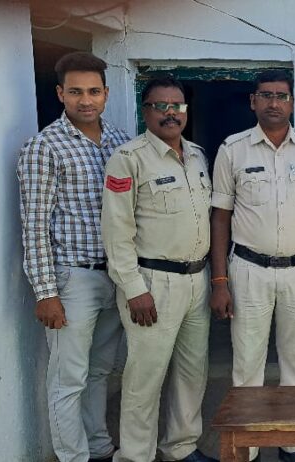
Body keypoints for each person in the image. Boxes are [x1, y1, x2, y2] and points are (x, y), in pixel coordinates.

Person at [209, 69, 295, 462]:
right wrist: (219, 280)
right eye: (266, 95)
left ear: (292, 102)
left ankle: (292, 446)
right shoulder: (232, 150)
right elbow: (220, 217)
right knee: (248, 364)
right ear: (253, 101)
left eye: (282, 96)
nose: (274, 103)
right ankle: (247, 450)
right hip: (249, 269)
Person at [17, 51, 130, 462]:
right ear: (60, 94)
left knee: (99, 371)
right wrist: (46, 292)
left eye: (94, 91)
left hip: (115, 275)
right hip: (73, 279)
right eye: (76, 92)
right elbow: (34, 224)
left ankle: (98, 447)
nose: (86, 100)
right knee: (69, 378)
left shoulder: (120, 141)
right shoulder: (44, 147)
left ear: (106, 94)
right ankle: (73, 456)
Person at [101, 76, 216, 462]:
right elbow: (116, 230)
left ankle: (181, 447)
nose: (170, 113)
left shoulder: (198, 156)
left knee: (192, 371)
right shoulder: (128, 158)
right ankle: (136, 455)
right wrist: (134, 288)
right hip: (153, 282)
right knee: (145, 376)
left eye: (177, 106)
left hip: (197, 279)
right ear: (145, 111)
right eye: (160, 106)